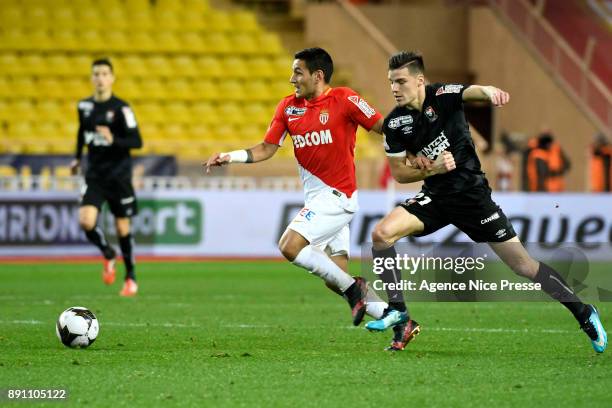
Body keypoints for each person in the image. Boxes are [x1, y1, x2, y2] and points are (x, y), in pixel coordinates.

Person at [366, 51, 607, 353]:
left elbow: (471, 91)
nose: (394, 88)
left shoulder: (442, 95)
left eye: (400, 81)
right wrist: (433, 168)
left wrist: (490, 91)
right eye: (391, 82)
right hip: (436, 198)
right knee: (381, 234)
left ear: (419, 81)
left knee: (523, 265)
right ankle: (398, 310)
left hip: (473, 198)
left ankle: (584, 313)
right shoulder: (395, 123)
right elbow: (399, 173)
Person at [205, 47, 391, 326]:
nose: (292, 78)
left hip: (337, 197)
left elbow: (383, 126)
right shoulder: (288, 107)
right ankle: (398, 320)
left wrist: (417, 146)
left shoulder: (345, 98)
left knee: (290, 245)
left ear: (317, 75)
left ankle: (357, 290)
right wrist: (230, 156)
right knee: (335, 277)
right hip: (319, 201)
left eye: (297, 72)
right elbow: (267, 148)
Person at [70, 58, 143, 297]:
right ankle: (108, 253)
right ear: (91, 78)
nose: (100, 78)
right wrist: (77, 158)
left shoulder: (122, 108)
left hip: (119, 177)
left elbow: (137, 141)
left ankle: (130, 277)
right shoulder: (84, 107)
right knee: (86, 222)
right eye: (96, 74)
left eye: (104, 74)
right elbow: (82, 132)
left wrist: (114, 140)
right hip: (95, 176)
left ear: (112, 78)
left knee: (123, 227)